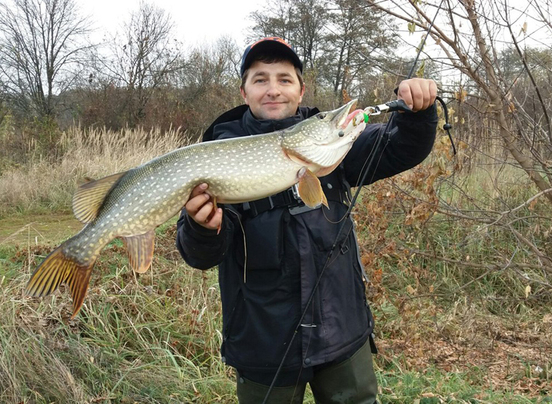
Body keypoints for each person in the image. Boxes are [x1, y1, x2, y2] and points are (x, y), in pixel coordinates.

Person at [176, 37, 438, 403]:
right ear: (244, 91)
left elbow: (400, 147)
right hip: (262, 342)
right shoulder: (219, 153)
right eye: (260, 79)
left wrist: (419, 113)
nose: (273, 89)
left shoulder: (332, 144)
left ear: (301, 91)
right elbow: (201, 256)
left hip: (342, 330)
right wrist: (202, 228)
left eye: (284, 79)